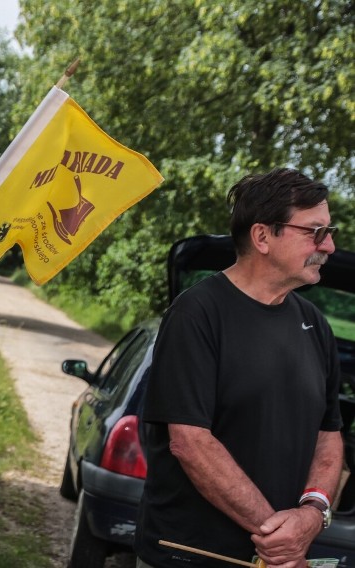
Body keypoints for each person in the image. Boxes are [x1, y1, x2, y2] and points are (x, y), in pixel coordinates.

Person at [135, 168, 345, 568]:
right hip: (192, 557)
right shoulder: (197, 313)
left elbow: (328, 434)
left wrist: (312, 513)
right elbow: (190, 442)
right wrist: (280, 537)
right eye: (315, 232)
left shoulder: (314, 323)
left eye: (329, 231)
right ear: (263, 236)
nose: (330, 246)